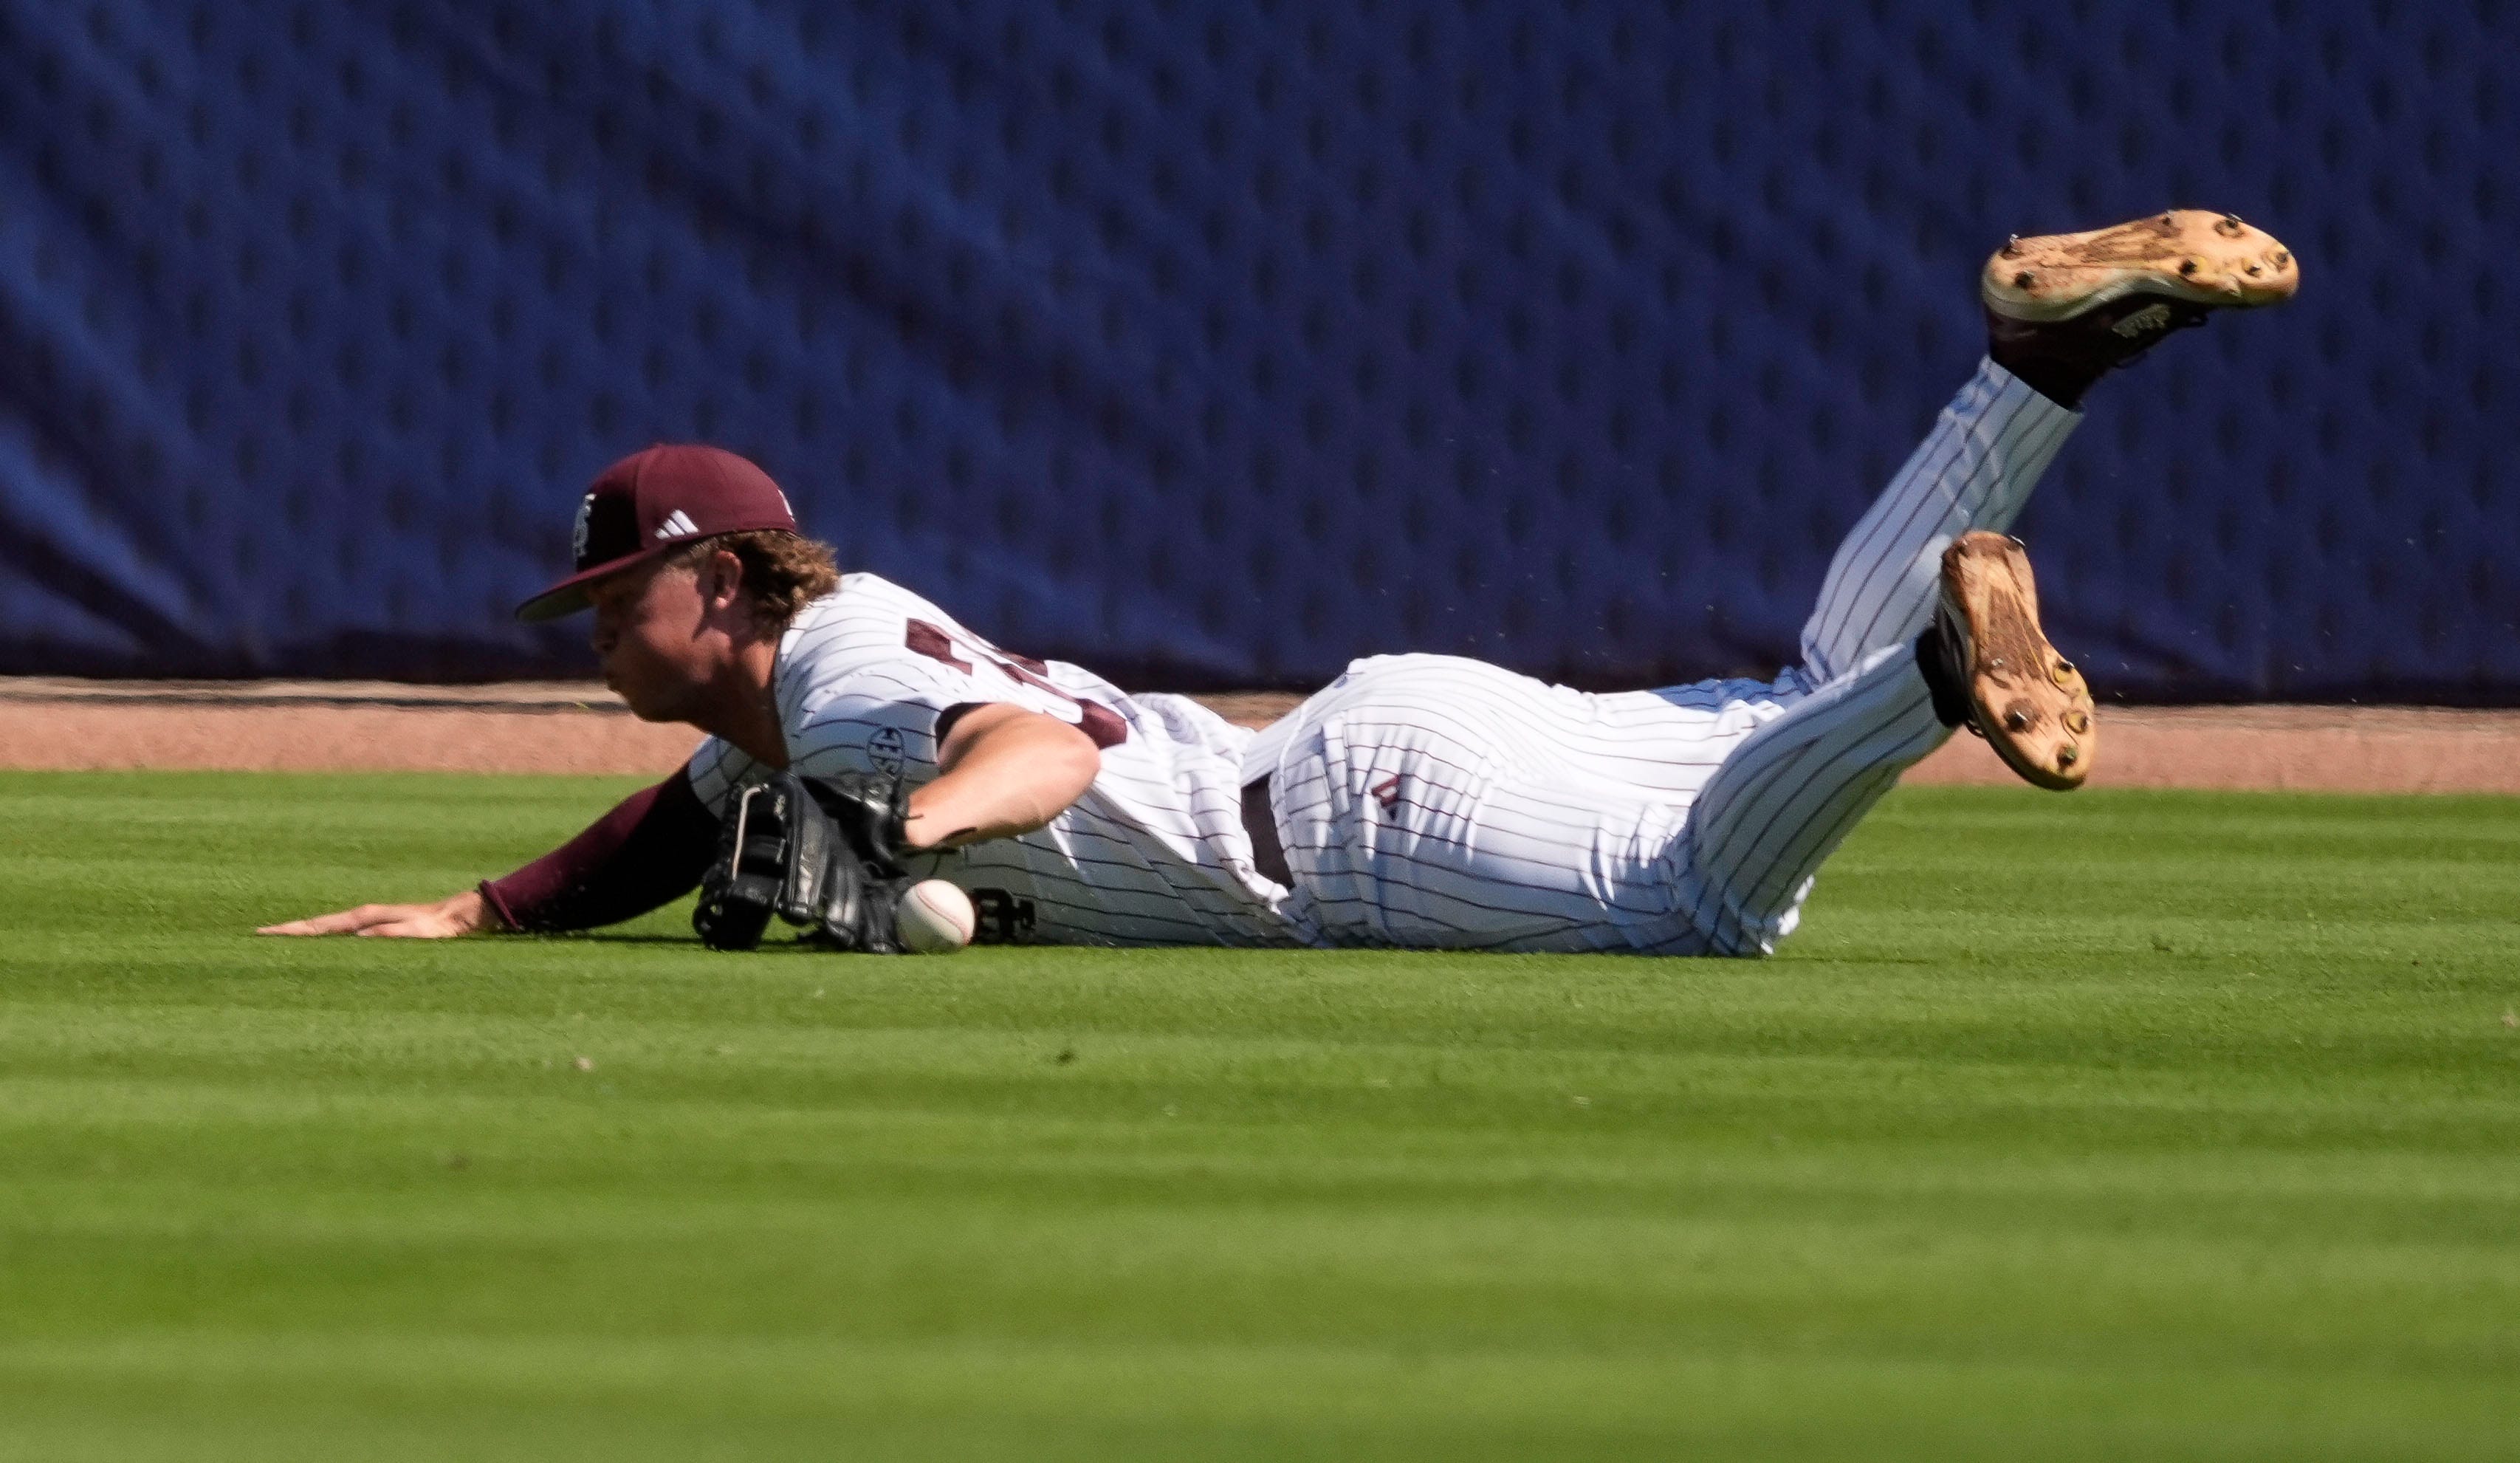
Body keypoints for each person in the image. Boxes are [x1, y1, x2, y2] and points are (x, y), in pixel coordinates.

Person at [264, 211, 2298, 954]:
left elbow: (1033, 746)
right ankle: (2033, 370)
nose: (595, 629)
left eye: (616, 600)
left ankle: (1945, 665)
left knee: (1712, 895)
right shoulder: (806, 693)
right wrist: (478, 908)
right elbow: (660, 833)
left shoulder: (862, 693)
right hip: (1377, 755)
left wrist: (900, 831)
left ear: (720, 584)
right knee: (1772, 704)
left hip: (1358, 836)